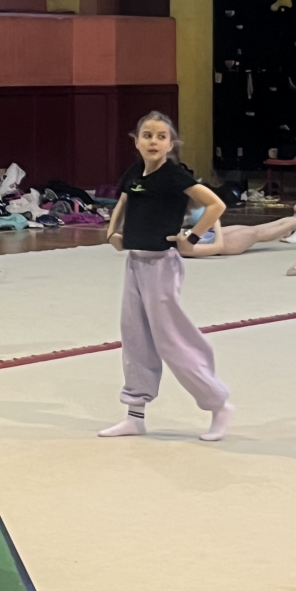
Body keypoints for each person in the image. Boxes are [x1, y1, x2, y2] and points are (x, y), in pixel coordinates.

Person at [101, 112, 235, 442]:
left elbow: (215, 206)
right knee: (134, 337)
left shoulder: (174, 175)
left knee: (170, 339)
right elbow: (123, 202)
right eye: (147, 135)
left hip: (162, 265)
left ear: (170, 144)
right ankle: (135, 415)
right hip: (135, 262)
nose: (153, 141)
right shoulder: (134, 172)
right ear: (136, 141)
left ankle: (218, 404)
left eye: (161, 137)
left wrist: (191, 239)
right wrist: (111, 233)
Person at [176, 213, 296, 257]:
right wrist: (216, 223)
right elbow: (218, 246)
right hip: (225, 242)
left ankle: (289, 222)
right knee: (257, 233)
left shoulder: (174, 237)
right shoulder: (185, 250)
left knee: (256, 229)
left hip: (212, 233)